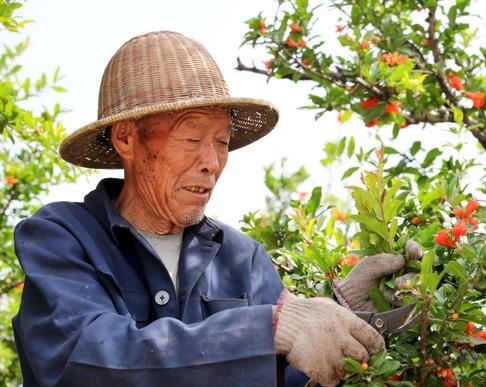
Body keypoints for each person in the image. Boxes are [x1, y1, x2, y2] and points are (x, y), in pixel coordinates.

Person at [12, 30, 407, 387]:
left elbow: (286, 375)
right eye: (191, 137)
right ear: (127, 139)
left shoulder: (243, 257)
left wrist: (349, 314)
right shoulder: (60, 237)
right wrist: (264, 330)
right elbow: (83, 361)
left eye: (221, 142)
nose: (212, 163)